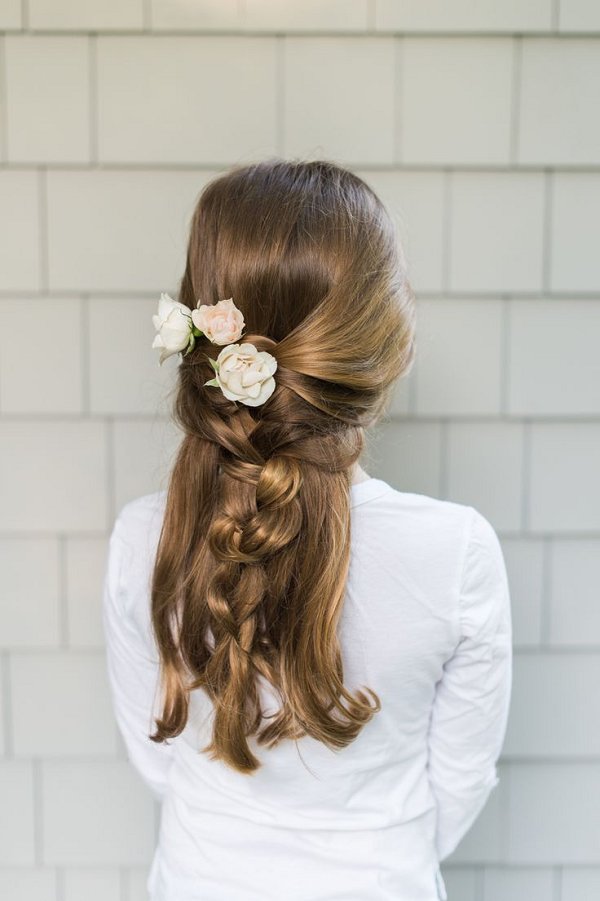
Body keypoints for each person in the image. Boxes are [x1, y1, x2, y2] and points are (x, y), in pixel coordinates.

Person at [102, 158, 512, 901]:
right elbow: (458, 782)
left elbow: (156, 757)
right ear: (388, 350)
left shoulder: (141, 540)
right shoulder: (457, 554)